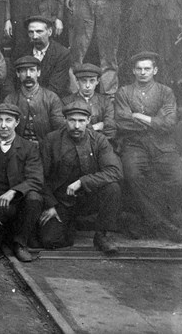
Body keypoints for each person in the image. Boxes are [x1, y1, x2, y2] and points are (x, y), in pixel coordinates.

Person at [115, 51, 182, 243]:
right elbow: (122, 122)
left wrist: (140, 116)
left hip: (163, 146)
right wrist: (156, 120)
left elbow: (169, 123)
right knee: (131, 176)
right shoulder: (124, 92)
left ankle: (154, 220)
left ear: (155, 70)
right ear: (133, 71)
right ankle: (160, 224)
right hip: (134, 145)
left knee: (179, 180)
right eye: (139, 69)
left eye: (147, 69)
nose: (143, 72)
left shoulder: (165, 92)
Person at [39, 101, 123, 254]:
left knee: (112, 188)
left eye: (81, 121)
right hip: (61, 201)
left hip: (89, 197)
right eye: (72, 120)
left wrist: (82, 182)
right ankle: (72, 224)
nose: (76, 126)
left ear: (89, 121)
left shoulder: (99, 140)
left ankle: (102, 235)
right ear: (65, 120)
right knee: (50, 240)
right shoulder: (51, 140)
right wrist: (50, 204)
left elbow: (114, 171)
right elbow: (40, 176)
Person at [0, 104, 43, 262]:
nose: (3, 125)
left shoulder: (29, 148)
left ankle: (20, 242)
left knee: (34, 197)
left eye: (8, 120)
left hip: (18, 206)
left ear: (17, 122)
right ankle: (2, 234)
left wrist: (13, 192)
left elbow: (36, 179)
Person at [4, 56, 65, 145]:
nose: (28, 75)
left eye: (32, 70)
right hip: (18, 149)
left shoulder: (51, 98)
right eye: (23, 71)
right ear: (18, 74)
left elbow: (59, 128)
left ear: (38, 72)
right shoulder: (10, 99)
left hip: (44, 149)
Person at [13, 15, 71, 98]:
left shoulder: (62, 53)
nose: (35, 36)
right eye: (31, 32)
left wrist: (33, 101)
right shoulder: (20, 50)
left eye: (39, 31)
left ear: (50, 32)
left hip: (50, 101)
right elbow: (11, 79)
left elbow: (56, 87)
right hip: (22, 98)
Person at [62, 63, 116, 141]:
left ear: (98, 81)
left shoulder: (106, 102)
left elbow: (111, 127)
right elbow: (65, 128)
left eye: (92, 81)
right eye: (84, 81)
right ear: (77, 81)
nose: (88, 85)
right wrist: (97, 126)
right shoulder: (67, 102)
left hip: (100, 144)